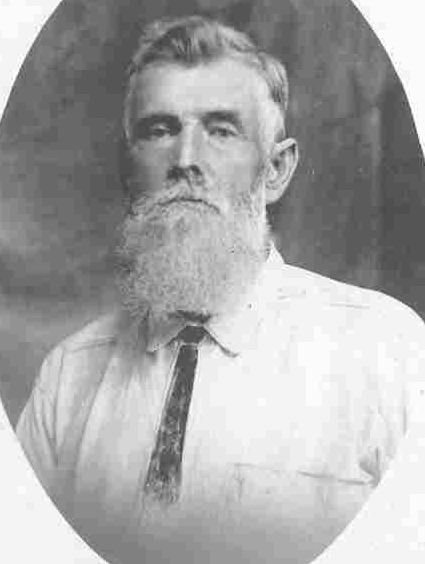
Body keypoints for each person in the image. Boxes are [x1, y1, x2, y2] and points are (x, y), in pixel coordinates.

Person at [16, 15, 425, 564]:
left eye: (221, 130)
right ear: (125, 164)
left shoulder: (389, 352)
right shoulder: (68, 378)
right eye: (159, 130)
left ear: (276, 169)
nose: (186, 160)